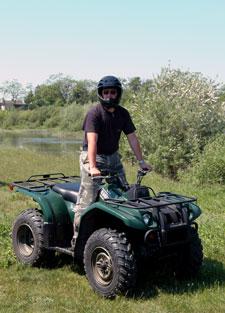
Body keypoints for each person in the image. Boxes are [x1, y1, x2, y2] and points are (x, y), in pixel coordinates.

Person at [72, 75, 152, 247]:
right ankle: (78, 240)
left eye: (112, 92)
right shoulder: (94, 113)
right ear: (101, 94)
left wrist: (141, 161)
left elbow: (132, 138)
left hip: (113, 156)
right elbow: (92, 141)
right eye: (106, 92)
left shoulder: (123, 113)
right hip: (93, 156)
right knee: (88, 198)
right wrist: (93, 167)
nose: (109, 96)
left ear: (118, 94)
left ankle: (121, 233)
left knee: (123, 194)